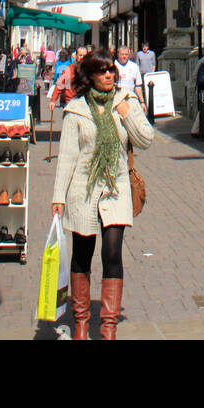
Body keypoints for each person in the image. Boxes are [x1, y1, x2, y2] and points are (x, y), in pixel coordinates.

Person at [51, 47, 154, 340]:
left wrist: (128, 115)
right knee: (82, 254)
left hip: (116, 186)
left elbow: (146, 139)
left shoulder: (125, 101)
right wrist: (58, 197)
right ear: (90, 76)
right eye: (102, 71)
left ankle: (108, 327)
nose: (108, 75)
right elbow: (68, 157)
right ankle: (81, 322)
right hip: (82, 189)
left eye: (111, 70)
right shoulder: (77, 110)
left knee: (112, 253)